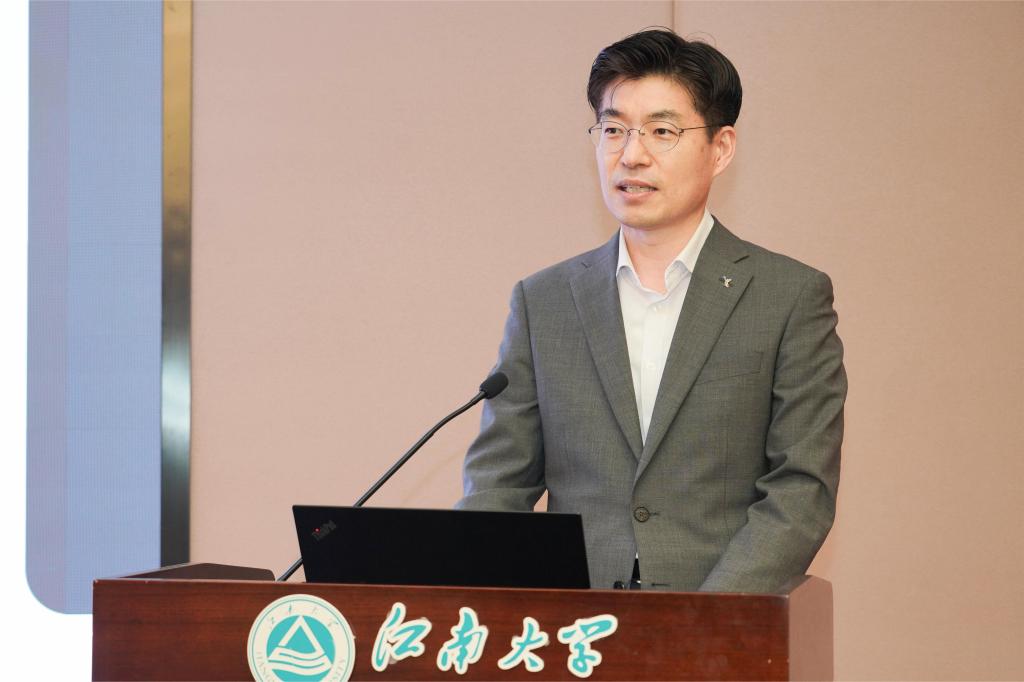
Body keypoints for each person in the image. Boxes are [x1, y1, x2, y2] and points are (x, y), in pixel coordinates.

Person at [456, 28, 846, 593]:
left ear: (720, 148)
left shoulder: (788, 297)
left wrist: (702, 622)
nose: (631, 154)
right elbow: (497, 486)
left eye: (662, 131)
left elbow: (801, 490)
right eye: (613, 129)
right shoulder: (544, 302)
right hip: (576, 628)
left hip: (722, 622)